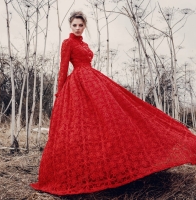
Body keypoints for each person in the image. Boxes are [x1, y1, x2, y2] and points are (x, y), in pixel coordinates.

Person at [30, 11, 196, 196]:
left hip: (93, 79)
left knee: (114, 116)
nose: (77, 28)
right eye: (74, 25)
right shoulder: (67, 43)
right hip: (77, 83)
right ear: (70, 26)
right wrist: (60, 92)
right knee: (80, 127)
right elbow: (62, 68)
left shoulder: (84, 44)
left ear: (85, 25)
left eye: (80, 25)